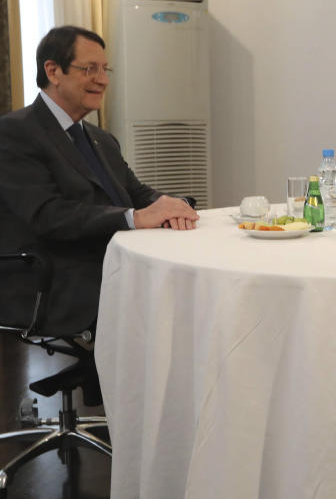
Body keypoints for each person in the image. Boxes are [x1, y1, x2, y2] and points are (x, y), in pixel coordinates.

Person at [0, 25, 199, 340]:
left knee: (191, 284)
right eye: (89, 69)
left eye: (105, 69)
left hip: (115, 261)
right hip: (55, 278)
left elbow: (138, 194)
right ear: (53, 71)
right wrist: (132, 217)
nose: (103, 79)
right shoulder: (14, 132)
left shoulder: (101, 139)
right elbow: (48, 215)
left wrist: (178, 205)